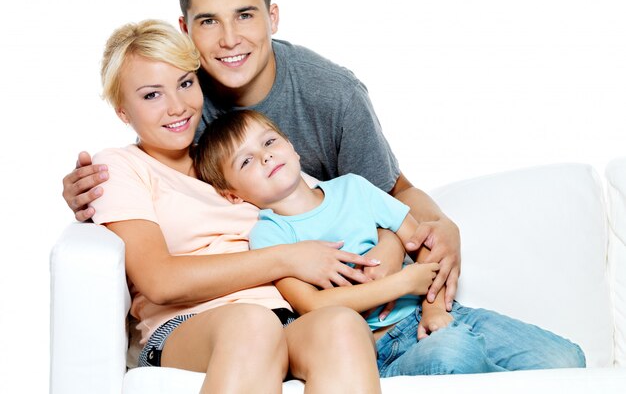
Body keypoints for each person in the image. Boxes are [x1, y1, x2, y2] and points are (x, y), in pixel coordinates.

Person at [62, 0, 461, 311]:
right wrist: (94, 193)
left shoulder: (333, 94)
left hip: (348, 274)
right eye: (208, 22)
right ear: (185, 29)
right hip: (274, 296)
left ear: (273, 17)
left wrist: (437, 228)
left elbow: (394, 192)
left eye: (245, 15)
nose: (229, 39)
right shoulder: (183, 94)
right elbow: (156, 175)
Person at [91, 18, 384, 393]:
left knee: (341, 324)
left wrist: (395, 245)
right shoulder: (121, 166)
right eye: (152, 95)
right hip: (189, 327)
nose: (177, 107)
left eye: (185, 84)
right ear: (123, 111)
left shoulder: (236, 158)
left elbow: (342, 206)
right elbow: (160, 282)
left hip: (285, 317)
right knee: (252, 325)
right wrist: (288, 258)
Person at [193, 109, 587, 377]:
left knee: (566, 359)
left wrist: (433, 310)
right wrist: (401, 283)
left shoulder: (355, 189)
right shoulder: (270, 235)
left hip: (440, 314)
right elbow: (312, 306)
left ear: (292, 146)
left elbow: (421, 244)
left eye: (269, 142)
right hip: (382, 348)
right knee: (455, 355)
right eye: (245, 161)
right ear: (232, 194)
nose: (264, 158)